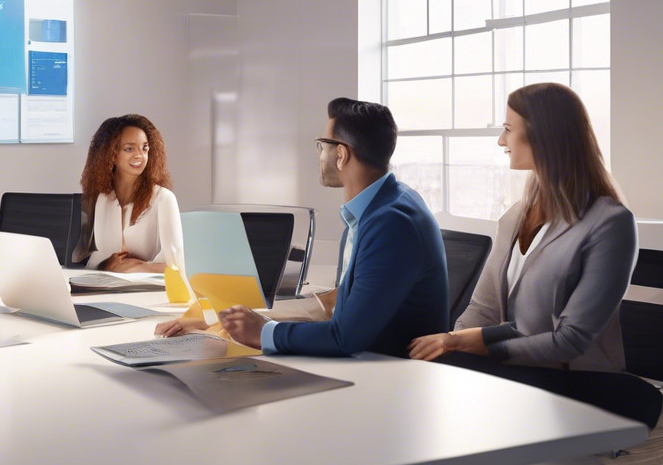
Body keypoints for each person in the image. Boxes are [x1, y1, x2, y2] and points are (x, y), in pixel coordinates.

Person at [163, 98, 449, 357]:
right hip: (368, 360)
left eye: (322, 146)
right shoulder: (378, 206)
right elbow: (339, 301)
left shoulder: (391, 222)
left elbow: (345, 337)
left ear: (342, 154)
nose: (319, 155)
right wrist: (224, 315)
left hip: (387, 372)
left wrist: (263, 332)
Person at [409, 83, 643, 373]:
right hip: (516, 371)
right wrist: (453, 348)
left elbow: (569, 341)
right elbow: (484, 309)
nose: (500, 141)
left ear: (542, 135)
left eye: (508, 129)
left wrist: (464, 344)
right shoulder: (515, 216)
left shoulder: (610, 224)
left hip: (577, 382)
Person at [72, 114, 181, 273]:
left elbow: (176, 266)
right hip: (105, 288)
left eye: (144, 147)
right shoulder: (98, 199)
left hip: (148, 292)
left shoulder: (164, 199)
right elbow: (80, 262)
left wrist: (139, 266)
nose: (140, 155)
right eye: (129, 148)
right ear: (110, 154)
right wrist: (105, 264)